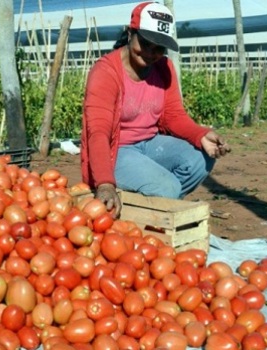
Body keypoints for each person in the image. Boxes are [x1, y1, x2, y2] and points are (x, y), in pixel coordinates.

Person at [80, 1, 231, 218]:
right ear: (130, 33)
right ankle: (156, 208)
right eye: (145, 43)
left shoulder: (163, 67)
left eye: (159, 47)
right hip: (117, 150)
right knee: (166, 187)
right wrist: (104, 183)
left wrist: (201, 134)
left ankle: (152, 208)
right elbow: (98, 132)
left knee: (201, 159)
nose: (151, 53)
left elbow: (173, 115)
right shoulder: (106, 72)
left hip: (150, 143)